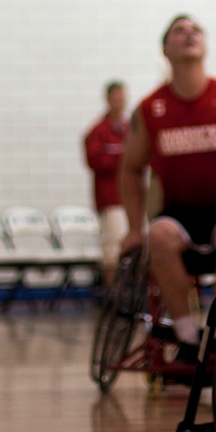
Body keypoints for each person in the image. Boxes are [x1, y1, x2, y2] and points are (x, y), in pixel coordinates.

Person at [119, 15, 216, 355]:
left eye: (196, 30)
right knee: (157, 234)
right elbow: (130, 170)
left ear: (205, 46)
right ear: (165, 49)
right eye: (179, 30)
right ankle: (188, 339)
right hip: (181, 212)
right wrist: (132, 228)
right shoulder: (149, 109)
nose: (189, 34)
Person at [82, 81, 130, 284]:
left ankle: (134, 296)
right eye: (115, 98)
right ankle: (112, 296)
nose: (119, 102)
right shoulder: (97, 132)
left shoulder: (131, 129)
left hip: (132, 200)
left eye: (122, 98)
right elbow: (96, 162)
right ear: (108, 99)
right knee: (112, 251)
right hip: (111, 200)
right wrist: (123, 157)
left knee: (137, 250)